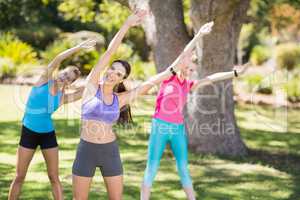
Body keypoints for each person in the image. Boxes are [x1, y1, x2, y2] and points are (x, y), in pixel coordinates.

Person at [140, 25, 250, 199]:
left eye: (192, 70)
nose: (189, 72)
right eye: (187, 68)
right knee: (152, 166)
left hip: (177, 129)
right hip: (160, 126)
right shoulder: (169, 77)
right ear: (182, 65)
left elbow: (211, 78)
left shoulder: (189, 85)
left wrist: (235, 73)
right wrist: (199, 35)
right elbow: (185, 53)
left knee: (183, 167)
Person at [8, 39, 96, 200]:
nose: (65, 77)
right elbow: (58, 58)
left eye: (69, 78)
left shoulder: (63, 98)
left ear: (70, 83)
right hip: (28, 132)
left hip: (48, 134)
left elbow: (89, 88)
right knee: (20, 176)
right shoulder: (43, 80)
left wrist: (102, 78)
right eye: (65, 73)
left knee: (54, 177)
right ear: (60, 71)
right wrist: (77, 47)